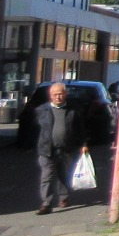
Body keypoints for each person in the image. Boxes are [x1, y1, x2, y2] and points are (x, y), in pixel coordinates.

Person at [34, 82, 88, 214]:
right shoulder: (41, 110)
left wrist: (84, 144)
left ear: (65, 94)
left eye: (60, 94)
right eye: (55, 94)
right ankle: (46, 204)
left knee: (63, 174)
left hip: (66, 148)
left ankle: (64, 198)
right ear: (50, 96)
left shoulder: (73, 110)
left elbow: (81, 129)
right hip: (47, 150)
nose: (58, 97)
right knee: (47, 176)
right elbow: (35, 129)